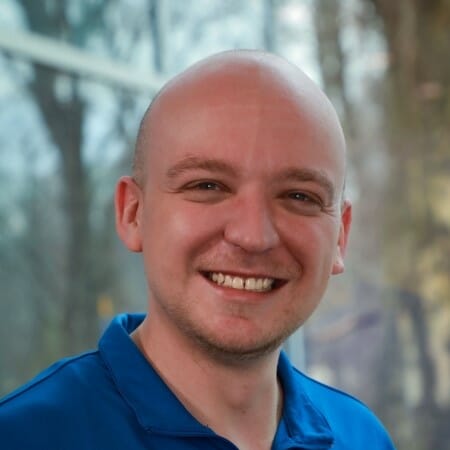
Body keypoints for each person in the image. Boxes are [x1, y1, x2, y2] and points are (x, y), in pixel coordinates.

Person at [0, 50, 395, 450]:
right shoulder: (22, 436)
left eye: (299, 195)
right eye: (208, 186)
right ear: (133, 213)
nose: (253, 236)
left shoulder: (363, 437)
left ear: (341, 236)